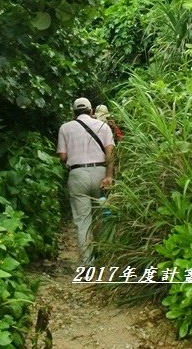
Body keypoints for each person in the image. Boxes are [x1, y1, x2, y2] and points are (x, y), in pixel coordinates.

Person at [57, 97, 115, 265]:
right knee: (103, 216)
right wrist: (109, 176)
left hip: (77, 175)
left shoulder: (65, 128)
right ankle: (104, 258)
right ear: (91, 111)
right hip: (100, 174)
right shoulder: (103, 126)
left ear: (73, 113)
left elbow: (62, 156)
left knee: (83, 221)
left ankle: (87, 264)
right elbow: (110, 152)